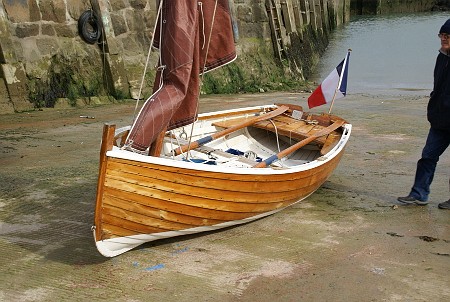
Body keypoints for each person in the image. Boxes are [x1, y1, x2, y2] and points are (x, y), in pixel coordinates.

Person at [397, 19, 450, 210]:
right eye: (442, 35)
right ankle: (419, 194)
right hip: (439, 121)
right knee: (427, 156)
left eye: (448, 36)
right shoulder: (442, 57)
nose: (443, 39)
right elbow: (438, 87)